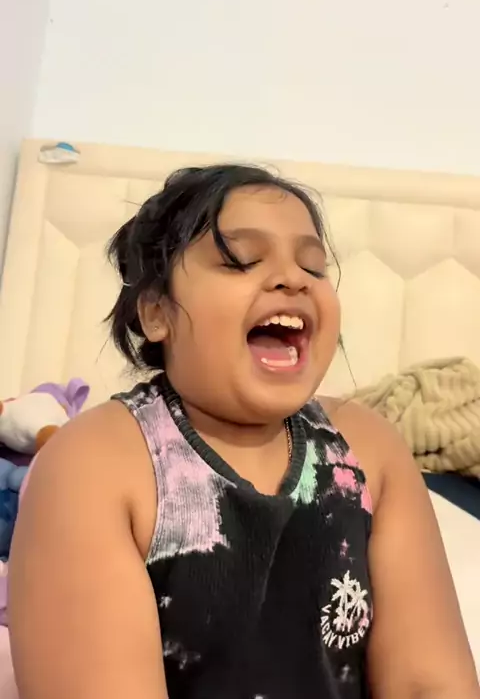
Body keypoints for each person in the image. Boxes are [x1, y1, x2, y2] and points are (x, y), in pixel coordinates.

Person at [8, 164, 479, 699]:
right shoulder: (97, 462)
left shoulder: (369, 451)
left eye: (313, 267)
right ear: (157, 312)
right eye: (242, 261)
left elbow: (430, 682)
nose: (293, 279)